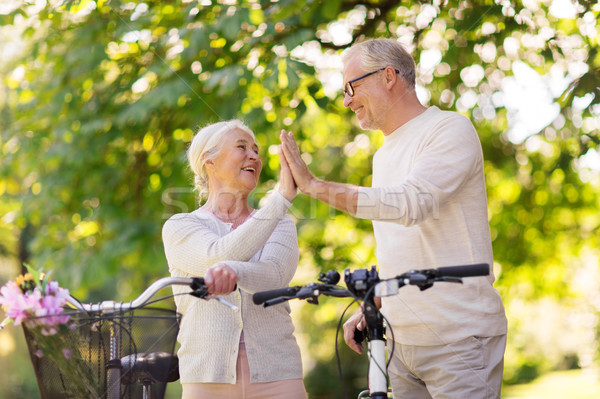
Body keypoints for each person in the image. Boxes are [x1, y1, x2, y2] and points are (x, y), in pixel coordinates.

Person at [279, 38, 507, 398]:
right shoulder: (382, 157)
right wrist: (377, 300)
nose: (347, 101)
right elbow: (403, 245)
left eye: (351, 87)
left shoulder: (448, 129)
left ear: (388, 76)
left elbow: (409, 204)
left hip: (458, 337)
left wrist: (314, 186)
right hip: (400, 342)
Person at [162, 120, 307, 399]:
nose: (254, 156)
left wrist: (233, 272)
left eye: (256, 150)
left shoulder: (280, 223)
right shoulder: (180, 225)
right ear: (209, 162)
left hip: (279, 376)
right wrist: (281, 197)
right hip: (206, 379)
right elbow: (216, 255)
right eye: (242, 147)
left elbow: (274, 276)